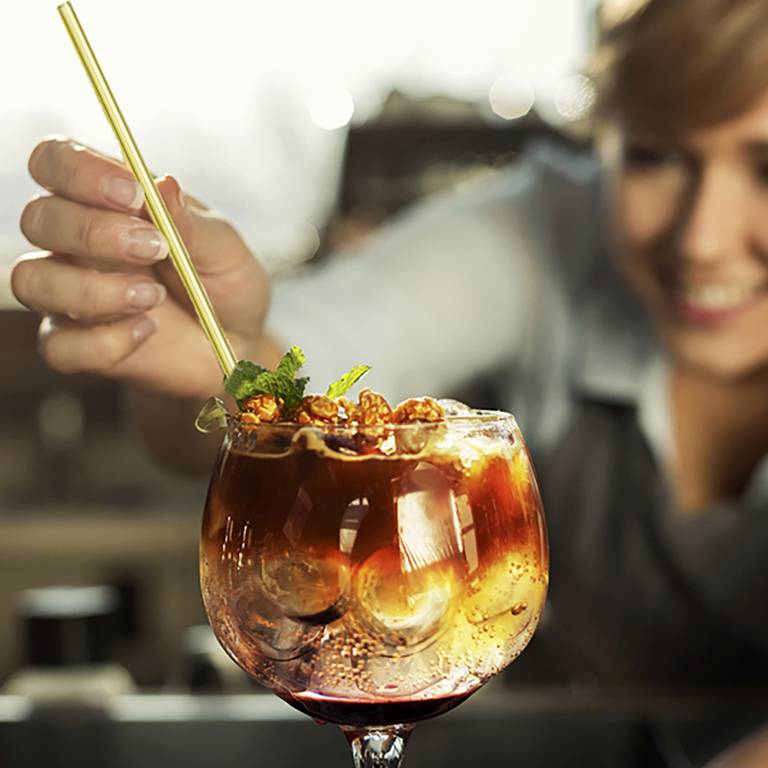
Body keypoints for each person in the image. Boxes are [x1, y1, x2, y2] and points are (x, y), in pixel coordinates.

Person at [10, 0, 768, 759]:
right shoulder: (548, 231)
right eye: (655, 157)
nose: (702, 239)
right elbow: (284, 376)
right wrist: (216, 348)